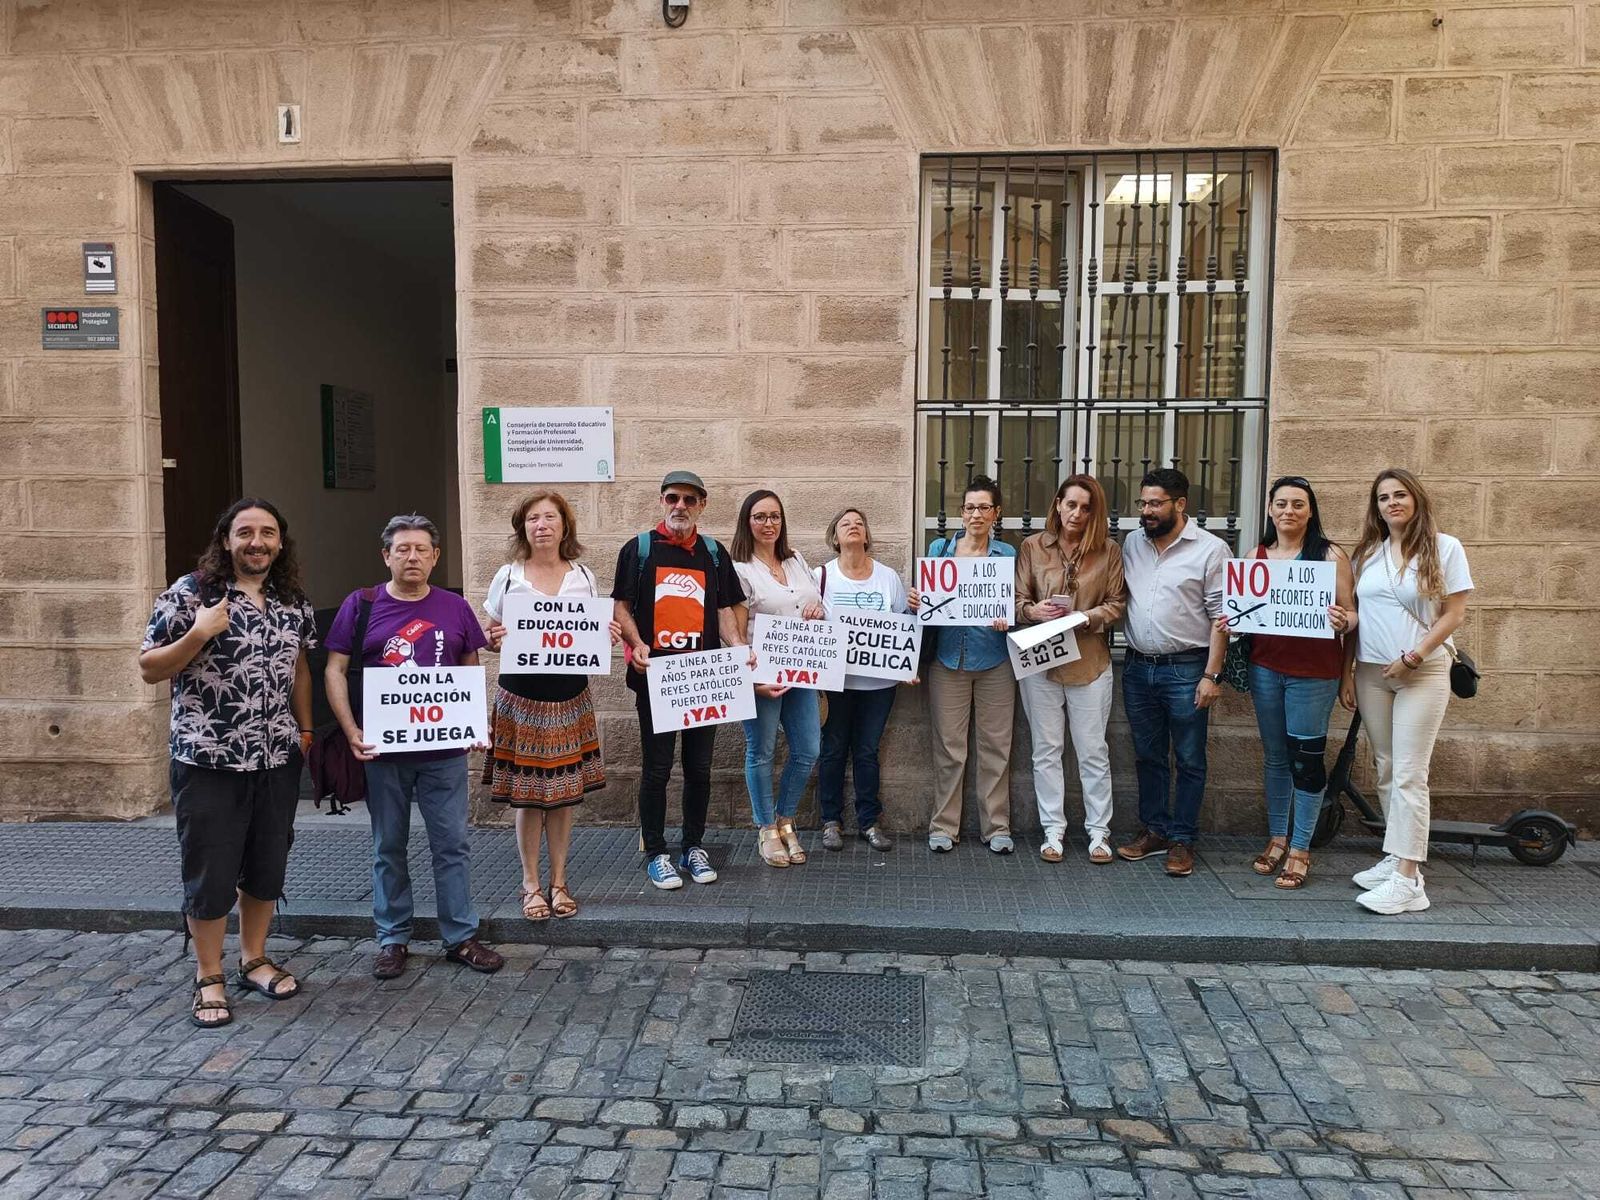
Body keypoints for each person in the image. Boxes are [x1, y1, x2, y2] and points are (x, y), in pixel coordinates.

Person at [139, 498, 316, 1029]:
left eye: (266, 533)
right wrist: (197, 633)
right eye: (245, 533)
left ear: (280, 543)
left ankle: (253, 958)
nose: (256, 542)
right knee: (210, 869)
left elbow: (300, 668)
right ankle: (209, 974)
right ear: (226, 540)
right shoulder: (190, 594)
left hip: (275, 757)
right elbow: (149, 667)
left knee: (266, 863)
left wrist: (305, 731)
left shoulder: (292, 601)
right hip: (208, 758)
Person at [324, 514, 503, 980]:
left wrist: (474, 722)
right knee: (389, 845)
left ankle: (460, 936)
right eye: (402, 549)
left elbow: (470, 666)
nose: (412, 557)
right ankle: (392, 939)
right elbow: (334, 670)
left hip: (442, 753)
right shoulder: (361, 605)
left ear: (435, 556)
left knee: (453, 844)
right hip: (384, 753)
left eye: (421, 549)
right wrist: (350, 730)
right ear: (386, 555)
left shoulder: (455, 606)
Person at [1343, 468, 1472, 915]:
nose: (1392, 503)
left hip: (1422, 671)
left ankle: (1408, 880)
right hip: (1372, 671)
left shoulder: (1444, 547)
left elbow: (1453, 614)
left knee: (1411, 772)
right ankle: (1395, 855)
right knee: (1386, 766)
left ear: (1416, 499)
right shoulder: (1368, 554)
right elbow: (1360, 616)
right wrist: (1347, 663)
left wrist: (1414, 656)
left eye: (1399, 495)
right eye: (1383, 497)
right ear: (1375, 507)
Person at [482, 490, 615, 921]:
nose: (542, 525)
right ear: (523, 527)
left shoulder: (583, 576)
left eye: (550, 518)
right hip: (520, 698)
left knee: (563, 797)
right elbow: (490, 631)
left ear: (564, 526)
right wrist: (491, 638)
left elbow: (592, 631)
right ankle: (530, 884)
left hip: (569, 698)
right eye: (533, 518)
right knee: (528, 798)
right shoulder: (507, 575)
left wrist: (605, 634)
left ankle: (559, 881)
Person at [613, 470, 746, 890]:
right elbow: (621, 607)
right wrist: (636, 644)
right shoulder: (639, 550)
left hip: (703, 678)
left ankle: (693, 846)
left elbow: (725, 609)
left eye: (690, 500)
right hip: (658, 679)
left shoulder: (713, 552)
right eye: (673, 498)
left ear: (702, 505)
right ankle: (655, 851)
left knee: (699, 769)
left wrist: (739, 648)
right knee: (656, 769)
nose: (680, 507)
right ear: (661, 501)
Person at [1234, 476, 1356, 890]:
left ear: (1310, 511)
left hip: (1314, 674)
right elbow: (1244, 612)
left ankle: (1301, 848)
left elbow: (1353, 616)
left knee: (1306, 759)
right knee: (1274, 758)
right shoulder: (1257, 555)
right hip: (1266, 669)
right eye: (1282, 503)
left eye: (1298, 504)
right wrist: (1230, 620)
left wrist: (1344, 623)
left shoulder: (1329, 555)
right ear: (1270, 509)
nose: (1289, 511)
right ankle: (1277, 837)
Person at [1116, 468, 1230, 878]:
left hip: (1187, 669)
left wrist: (1211, 676)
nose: (1146, 511)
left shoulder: (1211, 550)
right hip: (1137, 667)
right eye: (1143, 503)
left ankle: (1183, 839)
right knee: (1148, 756)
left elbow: (1222, 618)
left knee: (1188, 758)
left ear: (1180, 504)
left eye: (1155, 504)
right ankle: (1155, 831)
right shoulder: (1132, 543)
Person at [1015, 475, 1127, 864]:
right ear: (1058, 504)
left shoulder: (1109, 551)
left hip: (1089, 662)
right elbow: (1015, 599)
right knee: (1046, 749)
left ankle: (1099, 832)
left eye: (1085, 507)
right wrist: (1032, 611)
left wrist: (1086, 616)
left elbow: (1116, 603)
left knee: (1093, 749)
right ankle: (1053, 829)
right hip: (1040, 662)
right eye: (1071, 504)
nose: (1076, 513)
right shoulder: (1032, 546)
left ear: (1094, 512)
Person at [815, 507, 919, 853]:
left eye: (859, 523)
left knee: (867, 752)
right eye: (845, 523)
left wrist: (907, 663)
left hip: (879, 685)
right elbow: (807, 620)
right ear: (835, 536)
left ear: (867, 534)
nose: (853, 527)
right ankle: (831, 821)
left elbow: (902, 622)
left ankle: (869, 822)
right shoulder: (822, 577)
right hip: (836, 683)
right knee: (832, 750)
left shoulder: (887, 576)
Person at [731, 490, 824, 868]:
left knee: (808, 749)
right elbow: (735, 631)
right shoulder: (740, 567)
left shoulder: (797, 559)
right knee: (762, 751)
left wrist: (817, 610)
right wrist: (749, 681)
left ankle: (787, 819)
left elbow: (812, 604)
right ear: (747, 522)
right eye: (759, 517)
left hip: (801, 668)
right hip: (762, 676)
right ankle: (766, 829)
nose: (768, 524)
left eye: (774, 517)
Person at [926, 476, 1017, 854]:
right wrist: (919, 598)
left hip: (995, 659)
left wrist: (1008, 614)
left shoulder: (1008, 555)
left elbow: (1020, 601)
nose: (976, 514)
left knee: (996, 747)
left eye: (983, 507)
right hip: (948, 659)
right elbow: (927, 598)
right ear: (961, 513)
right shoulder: (940, 550)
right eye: (969, 507)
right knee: (949, 748)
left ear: (996, 513)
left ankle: (996, 827)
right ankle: (944, 826)